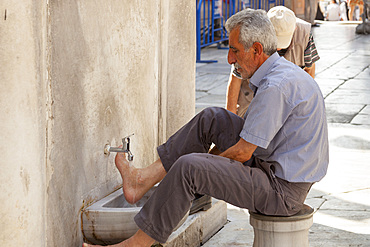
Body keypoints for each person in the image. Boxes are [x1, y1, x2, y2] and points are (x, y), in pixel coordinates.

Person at [83, 8, 329, 247]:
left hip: (281, 192)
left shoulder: (276, 86)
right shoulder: (280, 72)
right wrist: (210, 162)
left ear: (256, 50)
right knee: (212, 118)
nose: (229, 59)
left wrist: (206, 164)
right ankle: (141, 180)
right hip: (272, 168)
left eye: (234, 50)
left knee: (190, 168)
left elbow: (243, 153)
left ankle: (136, 245)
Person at [226, 6, 320, 117]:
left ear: (294, 29)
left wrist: (304, 105)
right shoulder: (253, 32)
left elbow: (309, 71)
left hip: (287, 98)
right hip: (251, 98)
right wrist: (230, 117)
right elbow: (235, 79)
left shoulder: (304, 34)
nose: (278, 48)